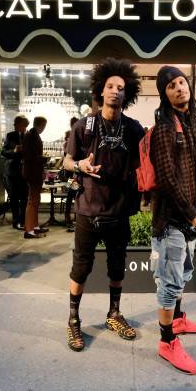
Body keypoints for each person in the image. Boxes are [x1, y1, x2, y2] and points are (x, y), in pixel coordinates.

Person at [63, 58, 145, 351]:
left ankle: (114, 314)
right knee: (80, 268)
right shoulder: (85, 126)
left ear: (128, 93)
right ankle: (73, 320)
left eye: (120, 87)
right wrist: (80, 166)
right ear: (100, 90)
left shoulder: (134, 129)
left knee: (117, 267)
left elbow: (146, 162)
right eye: (110, 86)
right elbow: (67, 160)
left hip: (119, 210)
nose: (114, 91)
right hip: (88, 209)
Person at [150, 66, 196, 375]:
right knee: (170, 282)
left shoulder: (195, 123)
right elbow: (167, 179)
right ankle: (166, 341)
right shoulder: (163, 127)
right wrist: (190, 211)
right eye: (171, 86)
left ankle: (178, 319)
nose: (179, 88)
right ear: (165, 94)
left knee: (183, 273)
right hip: (171, 218)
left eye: (181, 82)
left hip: (191, 215)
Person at [1, 115, 30, 230]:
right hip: (12, 171)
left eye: (16, 124)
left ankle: (23, 221)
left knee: (24, 197)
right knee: (13, 197)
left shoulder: (29, 136)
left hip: (25, 171)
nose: (14, 126)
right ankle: (15, 221)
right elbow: (3, 152)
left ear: (24, 125)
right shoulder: (10, 135)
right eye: (14, 124)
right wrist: (14, 151)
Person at [22, 116, 48, 239]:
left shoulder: (32, 135)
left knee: (35, 200)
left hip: (34, 172)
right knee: (32, 200)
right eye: (44, 125)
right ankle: (29, 229)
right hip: (32, 172)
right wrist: (43, 159)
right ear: (41, 125)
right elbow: (30, 157)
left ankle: (35, 226)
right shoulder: (31, 136)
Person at [63, 117, 79, 232]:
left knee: (72, 195)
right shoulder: (71, 135)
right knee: (73, 195)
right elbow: (66, 152)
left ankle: (71, 216)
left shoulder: (73, 134)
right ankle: (70, 216)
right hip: (73, 173)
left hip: (74, 172)